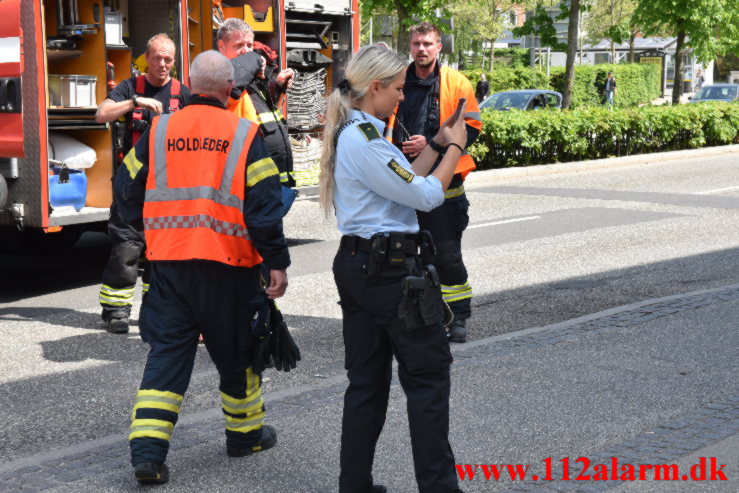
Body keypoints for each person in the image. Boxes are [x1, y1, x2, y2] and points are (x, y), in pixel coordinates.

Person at [114, 50, 291, 484]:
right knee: (238, 354)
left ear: (191, 86)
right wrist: (276, 262)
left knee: (167, 359)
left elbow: (125, 188)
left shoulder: (158, 130)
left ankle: (148, 456)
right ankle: (245, 435)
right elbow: (264, 208)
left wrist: (148, 233)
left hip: (169, 267)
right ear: (231, 89)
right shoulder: (245, 134)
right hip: (229, 267)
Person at [320, 44, 468, 493]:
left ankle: (356, 486)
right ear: (377, 86)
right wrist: (457, 150)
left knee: (366, 383)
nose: (403, 97)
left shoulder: (359, 132)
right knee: (426, 379)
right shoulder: (364, 139)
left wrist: (438, 143)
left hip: (363, 264)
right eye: (399, 89)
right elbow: (424, 195)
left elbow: (401, 177)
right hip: (390, 273)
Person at [387, 21, 482, 344]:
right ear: (409, 47)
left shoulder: (457, 82)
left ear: (439, 47)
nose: (421, 49)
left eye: (428, 44)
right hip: (404, 184)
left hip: (446, 190)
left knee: (447, 257)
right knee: (406, 257)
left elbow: (472, 128)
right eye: (416, 44)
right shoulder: (397, 79)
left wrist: (429, 143)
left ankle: (458, 318)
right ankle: (419, 315)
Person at [95, 33, 191, 334]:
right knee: (127, 247)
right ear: (146, 59)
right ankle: (116, 312)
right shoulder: (130, 87)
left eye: (168, 59)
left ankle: (155, 310)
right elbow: (101, 114)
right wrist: (135, 101)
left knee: (161, 250)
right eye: (157, 57)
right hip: (132, 186)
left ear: (174, 62)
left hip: (169, 186)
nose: (162, 64)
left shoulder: (182, 93)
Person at [217, 18, 296, 188]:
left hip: (267, 183)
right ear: (221, 46)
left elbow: (260, 115)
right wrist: (254, 58)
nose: (246, 51)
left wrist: (277, 85)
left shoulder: (250, 79)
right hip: (242, 185)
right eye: (239, 45)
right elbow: (231, 90)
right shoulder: (216, 74)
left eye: (250, 45)